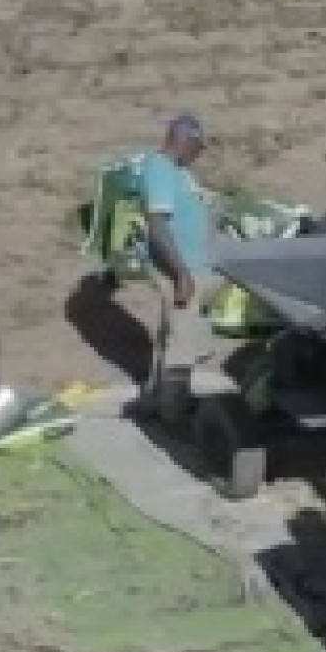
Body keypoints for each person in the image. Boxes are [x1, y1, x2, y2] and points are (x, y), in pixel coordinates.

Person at [135, 114, 223, 423]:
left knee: (172, 336)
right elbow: (157, 224)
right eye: (198, 147)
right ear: (185, 140)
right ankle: (174, 413)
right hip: (181, 269)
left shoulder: (177, 171)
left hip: (190, 266)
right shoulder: (159, 169)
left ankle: (155, 401)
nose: (199, 154)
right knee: (182, 342)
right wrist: (181, 274)